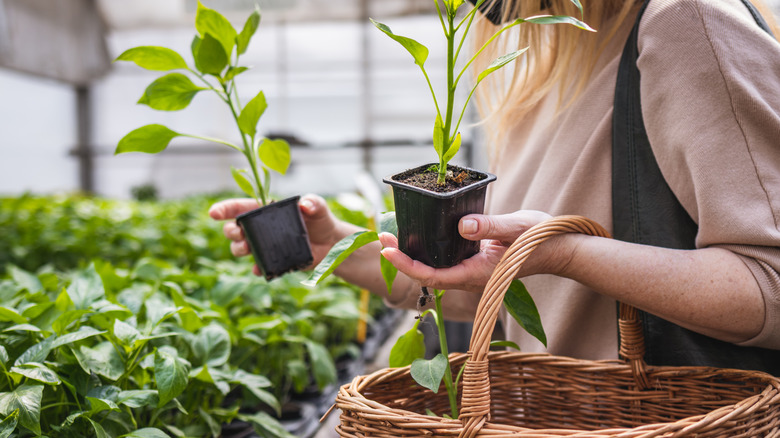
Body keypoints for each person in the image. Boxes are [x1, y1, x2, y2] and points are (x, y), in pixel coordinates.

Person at [209, 0, 780, 371]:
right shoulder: (550, 64)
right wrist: (334, 244)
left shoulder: (686, 23)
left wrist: (563, 253)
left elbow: (769, 285)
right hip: (555, 417)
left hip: (657, 419)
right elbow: (488, 282)